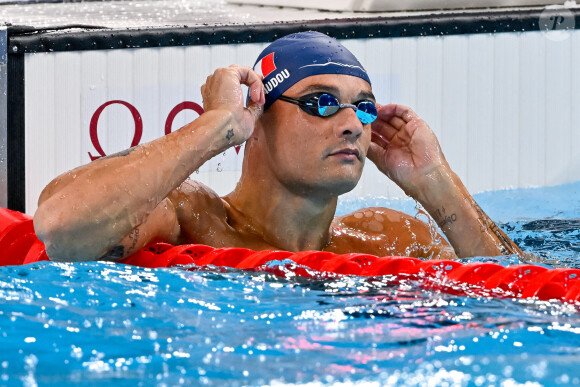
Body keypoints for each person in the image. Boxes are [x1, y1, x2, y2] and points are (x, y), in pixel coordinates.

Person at [33, 31, 522, 262]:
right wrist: (216, 126)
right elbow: (62, 230)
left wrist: (436, 184)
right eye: (322, 103)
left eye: (365, 106)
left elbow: (521, 297)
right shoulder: (192, 217)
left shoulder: (386, 236)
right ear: (257, 118)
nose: (353, 123)